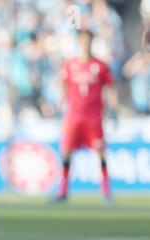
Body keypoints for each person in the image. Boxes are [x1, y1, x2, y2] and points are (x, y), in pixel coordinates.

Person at [53, 29, 118, 202]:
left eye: (88, 40)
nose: (85, 43)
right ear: (79, 42)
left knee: (100, 151)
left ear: (92, 42)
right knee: (66, 151)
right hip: (73, 115)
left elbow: (111, 88)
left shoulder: (100, 66)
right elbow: (64, 87)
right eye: (82, 40)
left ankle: (106, 189)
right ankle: (63, 190)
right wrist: (59, 108)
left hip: (93, 117)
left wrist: (114, 110)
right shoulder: (69, 65)